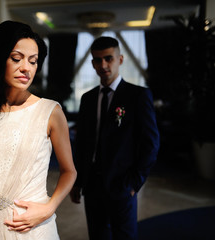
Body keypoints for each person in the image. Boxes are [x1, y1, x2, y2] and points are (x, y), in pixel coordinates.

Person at [0, 20, 77, 239]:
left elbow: (69, 171)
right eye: (17, 58)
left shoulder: (50, 111)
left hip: (32, 226)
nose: (26, 68)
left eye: (33, 61)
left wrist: (49, 207)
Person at [70, 36, 160, 240]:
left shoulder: (138, 96)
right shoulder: (88, 98)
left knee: (124, 236)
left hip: (122, 183)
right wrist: (77, 182)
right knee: (97, 235)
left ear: (120, 59)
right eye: (98, 60)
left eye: (108, 58)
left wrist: (134, 183)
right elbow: (83, 142)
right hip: (92, 185)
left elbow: (151, 143)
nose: (103, 65)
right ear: (92, 63)